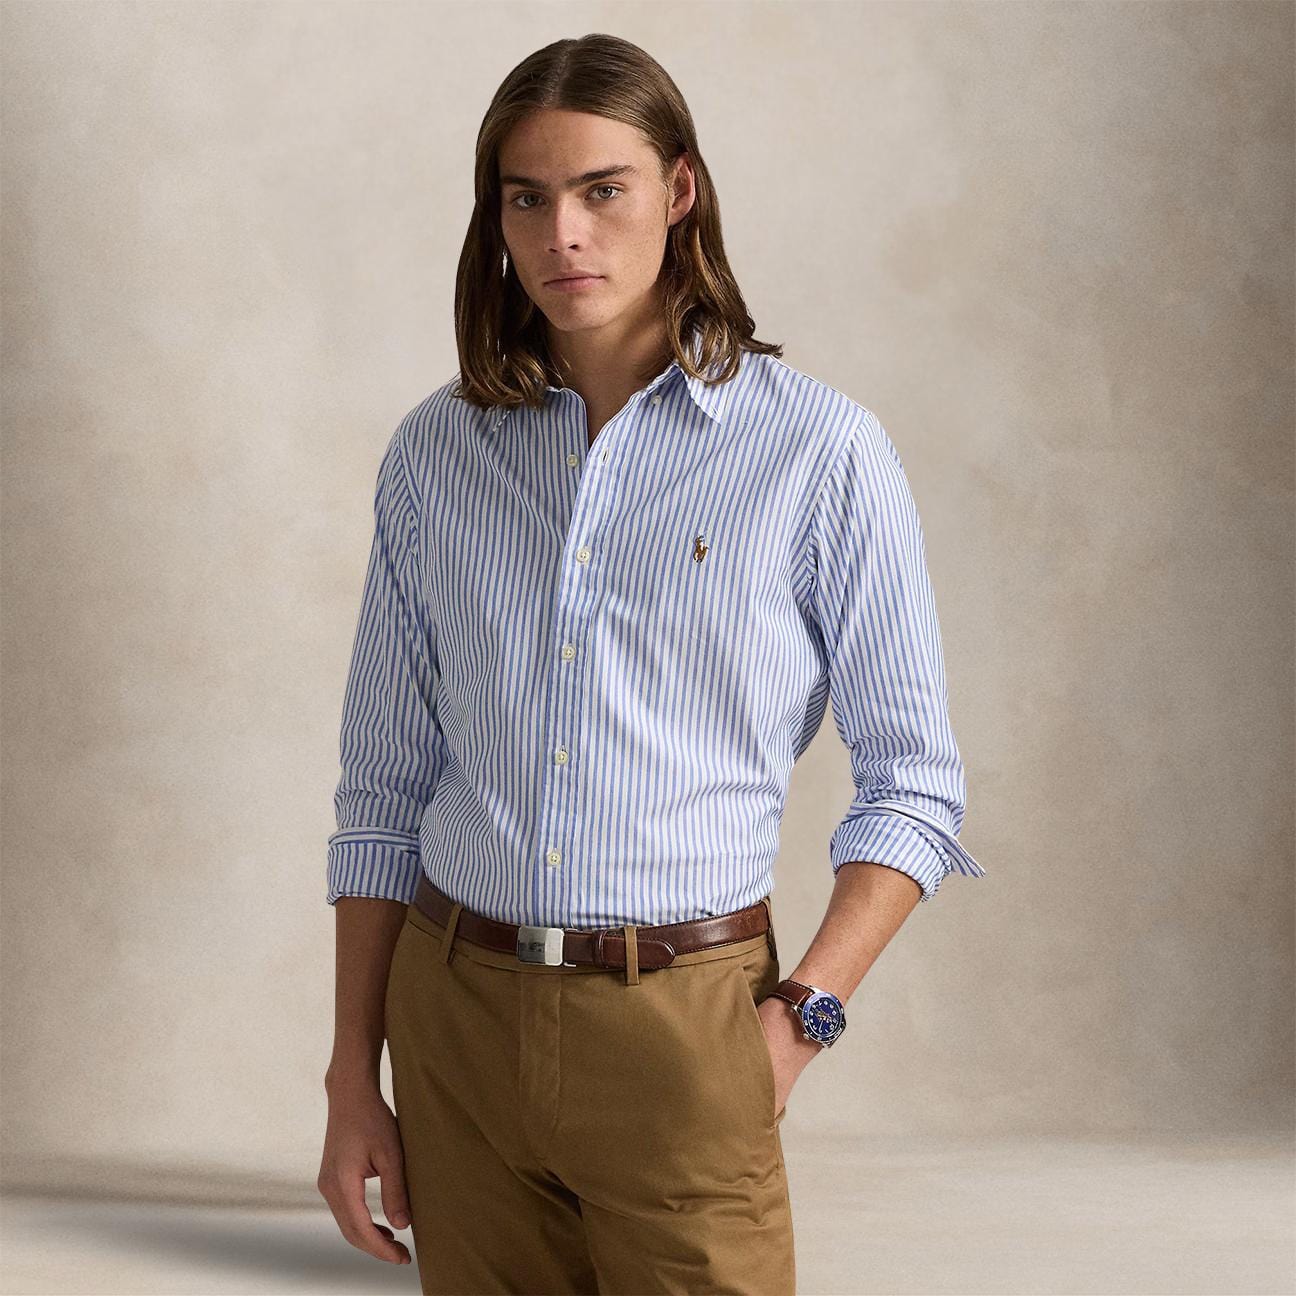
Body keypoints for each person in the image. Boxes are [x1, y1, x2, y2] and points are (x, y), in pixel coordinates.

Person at [316, 31, 985, 1296]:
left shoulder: (819, 453)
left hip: (684, 1024)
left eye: (601, 190)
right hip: (453, 1023)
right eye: (527, 198)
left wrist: (799, 1019)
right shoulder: (436, 454)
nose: (562, 233)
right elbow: (384, 794)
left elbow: (916, 785)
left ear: (679, 191)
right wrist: (356, 1074)